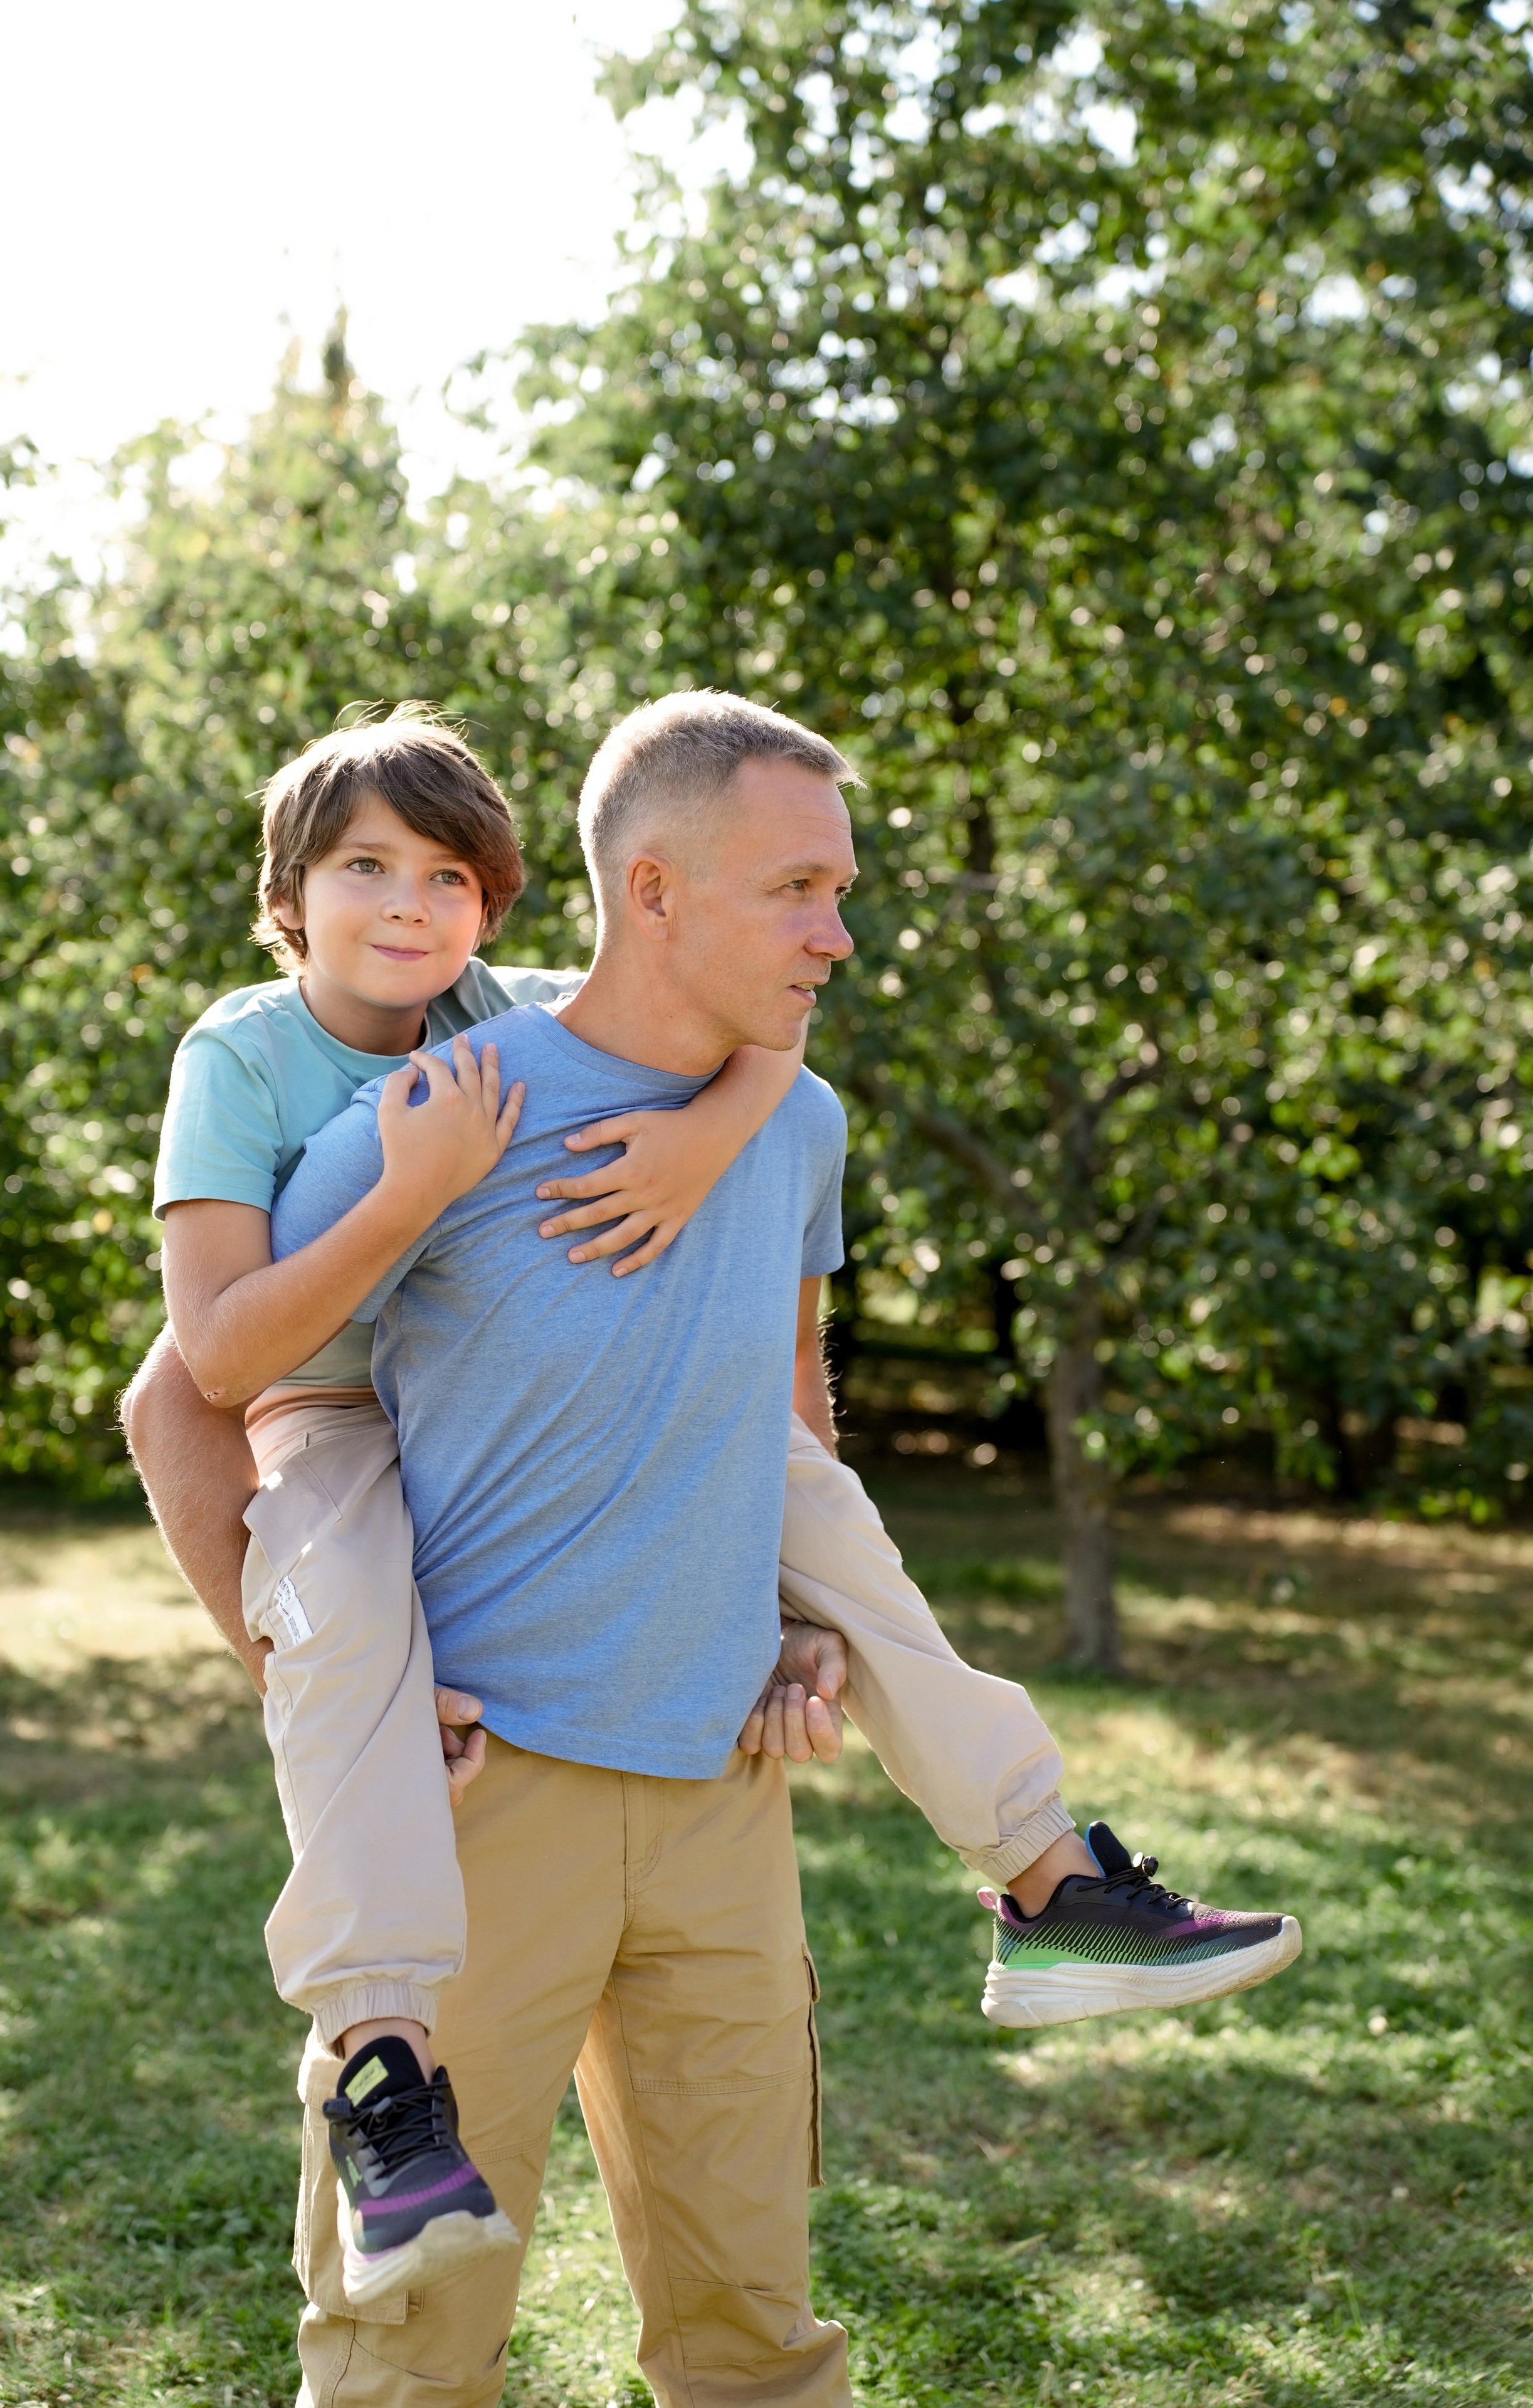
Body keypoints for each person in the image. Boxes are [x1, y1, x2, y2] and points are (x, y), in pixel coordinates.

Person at [123, 699, 1299, 2352]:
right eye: (799, 891)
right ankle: (388, 2049)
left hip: (717, 1795)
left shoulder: (783, 1114)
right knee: (413, 2358)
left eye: (450, 875)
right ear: (656, 890)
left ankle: (1051, 1880)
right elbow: (195, 1384)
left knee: (760, 2330)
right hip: (476, 1792)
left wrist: (800, 1624)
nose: (839, 934)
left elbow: (786, 1409)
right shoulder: (399, 1100)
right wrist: (310, 1671)